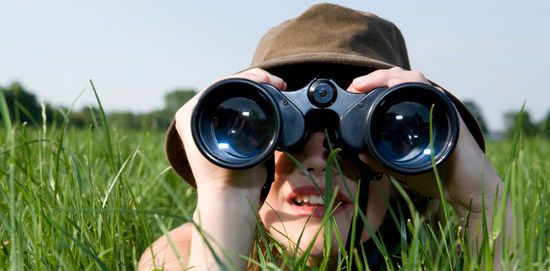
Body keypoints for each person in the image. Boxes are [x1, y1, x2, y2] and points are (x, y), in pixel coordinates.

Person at [139, 3, 510, 270]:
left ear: (405, 175)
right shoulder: (182, 255)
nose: (319, 157)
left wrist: (483, 201)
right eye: (277, 127)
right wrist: (228, 195)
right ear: (246, 150)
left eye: (366, 131)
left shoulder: (443, 254)